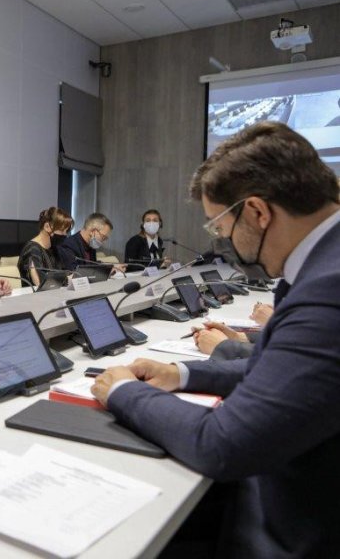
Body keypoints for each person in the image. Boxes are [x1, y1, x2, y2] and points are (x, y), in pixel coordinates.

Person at [90, 121, 340, 557]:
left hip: (289, 531)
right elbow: (277, 374)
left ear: (258, 212)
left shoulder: (328, 289)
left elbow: (222, 444)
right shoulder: (324, 264)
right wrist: (182, 374)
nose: (223, 240)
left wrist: (124, 392)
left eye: (220, 227)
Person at [16, 206, 73, 287]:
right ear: (47, 227)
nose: (65, 235)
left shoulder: (54, 249)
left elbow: (64, 273)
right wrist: (66, 279)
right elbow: (40, 282)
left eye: (66, 231)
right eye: (61, 230)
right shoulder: (32, 249)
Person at [56, 212, 123, 272]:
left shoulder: (91, 244)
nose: (104, 241)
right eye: (103, 237)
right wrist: (104, 271)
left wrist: (110, 268)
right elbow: (75, 272)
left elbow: (93, 266)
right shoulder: (69, 245)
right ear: (93, 231)